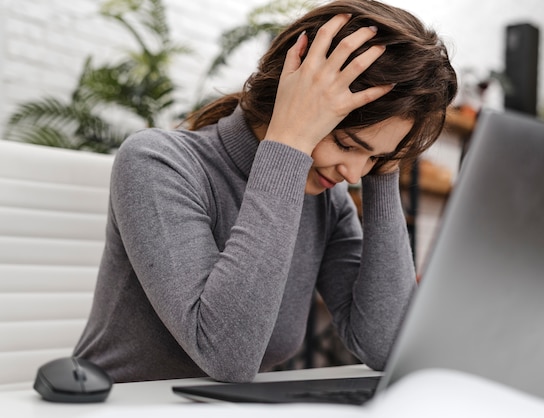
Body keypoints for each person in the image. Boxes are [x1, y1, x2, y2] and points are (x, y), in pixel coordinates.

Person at [74, 0, 457, 383]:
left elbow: (386, 347)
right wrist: (288, 142)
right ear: (290, 100)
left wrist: (386, 169)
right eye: (346, 144)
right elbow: (225, 354)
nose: (354, 173)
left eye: (375, 159)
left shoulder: (328, 202)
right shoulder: (158, 163)